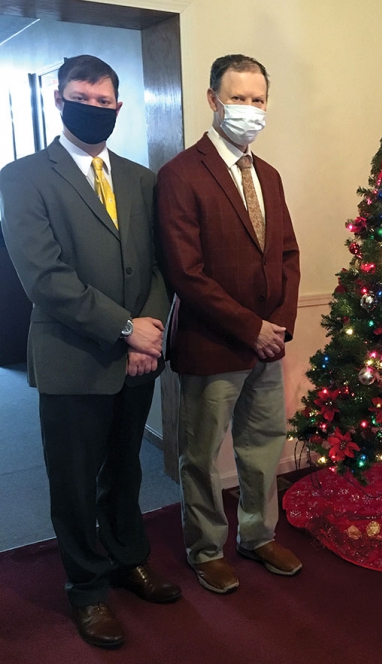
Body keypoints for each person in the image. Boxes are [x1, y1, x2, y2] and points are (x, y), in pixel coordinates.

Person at [0, 55, 181, 649]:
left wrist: (148, 329)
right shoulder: (22, 176)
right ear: (58, 98)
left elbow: (158, 263)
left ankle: (129, 560)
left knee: (125, 470)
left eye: (104, 102)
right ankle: (86, 588)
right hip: (72, 358)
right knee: (74, 483)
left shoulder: (140, 177)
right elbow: (45, 279)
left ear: (119, 107)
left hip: (139, 357)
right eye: (82, 97)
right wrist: (126, 327)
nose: (93, 109)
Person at [156, 54, 301, 594]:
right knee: (201, 455)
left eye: (257, 100)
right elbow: (185, 273)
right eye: (238, 98)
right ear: (213, 100)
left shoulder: (269, 174)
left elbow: (287, 252)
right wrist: (251, 328)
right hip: (211, 343)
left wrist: (279, 326)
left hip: (267, 345)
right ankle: (205, 548)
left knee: (263, 447)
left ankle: (259, 537)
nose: (249, 109)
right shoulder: (180, 175)